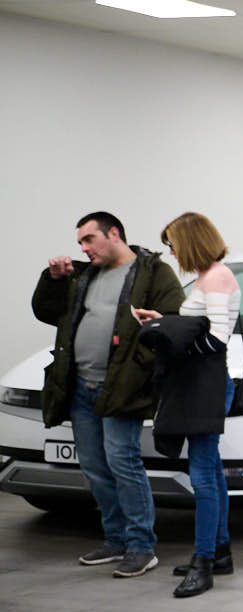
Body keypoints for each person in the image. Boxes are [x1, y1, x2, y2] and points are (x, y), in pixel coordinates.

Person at [32, 211, 184, 578]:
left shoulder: (152, 272)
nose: (83, 248)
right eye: (80, 243)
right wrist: (52, 280)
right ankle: (115, 540)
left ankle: (140, 546)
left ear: (113, 234)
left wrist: (146, 350)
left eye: (88, 239)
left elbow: (176, 319)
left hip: (123, 386)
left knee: (122, 463)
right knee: (95, 468)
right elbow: (47, 312)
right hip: (82, 386)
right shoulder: (84, 275)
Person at [134, 213, 239, 598]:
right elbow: (200, 327)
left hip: (206, 386)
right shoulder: (206, 277)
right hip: (201, 384)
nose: (172, 251)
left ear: (191, 240)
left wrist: (168, 338)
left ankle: (204, 562)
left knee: (202, 476)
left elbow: (216, 339)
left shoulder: (217, 277)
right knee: (210, 470)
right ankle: (220, 551)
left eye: (173, 243)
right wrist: (164, 322)